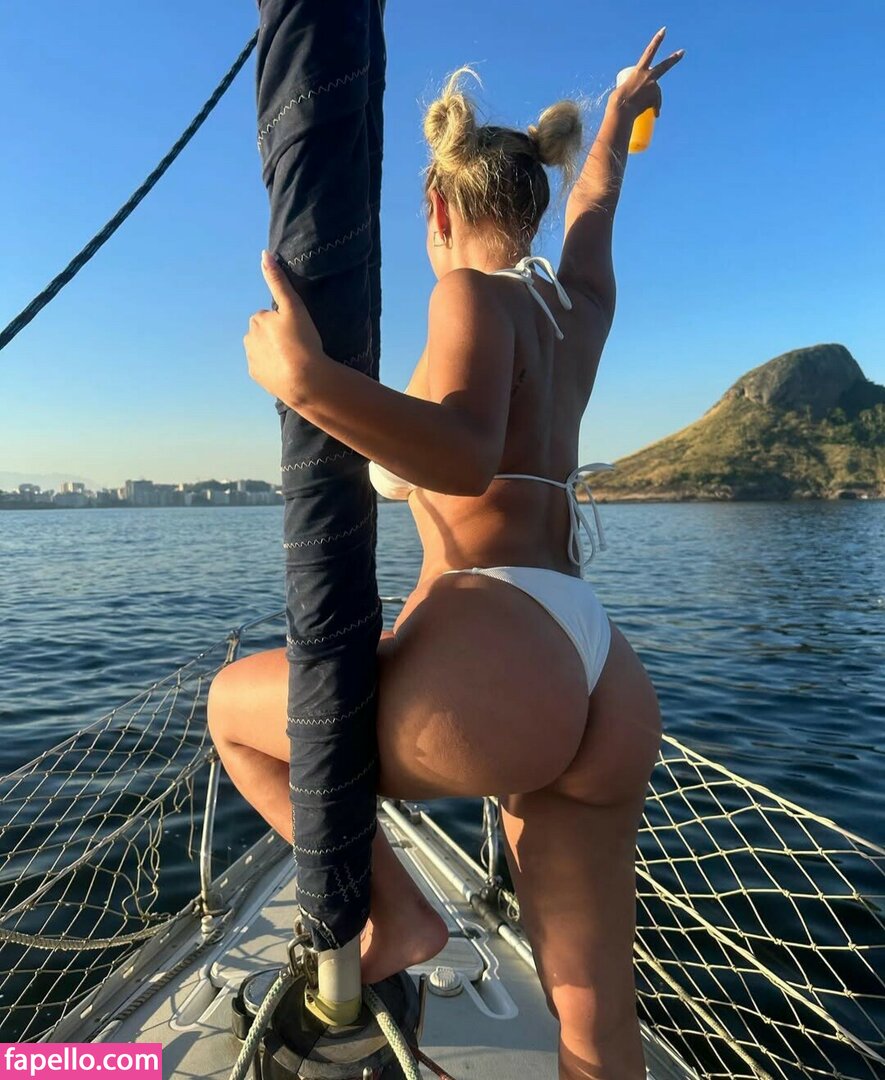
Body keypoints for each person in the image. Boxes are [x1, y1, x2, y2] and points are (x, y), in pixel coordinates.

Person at [209, 27, 684, 1080]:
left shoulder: (469, 293)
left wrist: (306, 383)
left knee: (232, 711)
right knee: (596, 1028)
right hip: (599, 665)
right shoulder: (576, 309)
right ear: (535, 204)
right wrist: (618, 110)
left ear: (436, 209)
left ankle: (399, 914)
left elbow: (465, 456)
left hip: (497, 654)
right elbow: (598, 206)